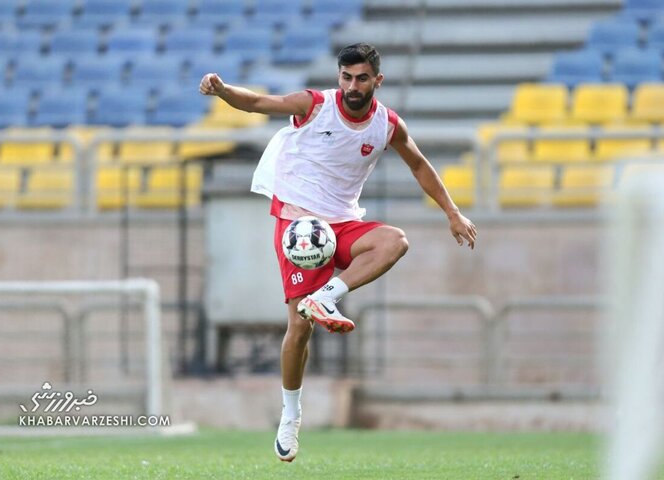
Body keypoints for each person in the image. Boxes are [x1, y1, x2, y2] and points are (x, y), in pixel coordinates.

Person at [199, 43, 476, 462]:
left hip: (343, 221)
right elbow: (257, 102)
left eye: (361, 78)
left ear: (376, 81)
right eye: (346, 77)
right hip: (299, 223)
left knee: (395, 241)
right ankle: (290, 415)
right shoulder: (313, 105)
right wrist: (223, 90)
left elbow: (419, 164)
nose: (351, 85)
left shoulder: (386, 124)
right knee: (299, 327)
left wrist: (452, 213)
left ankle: (327, 295)